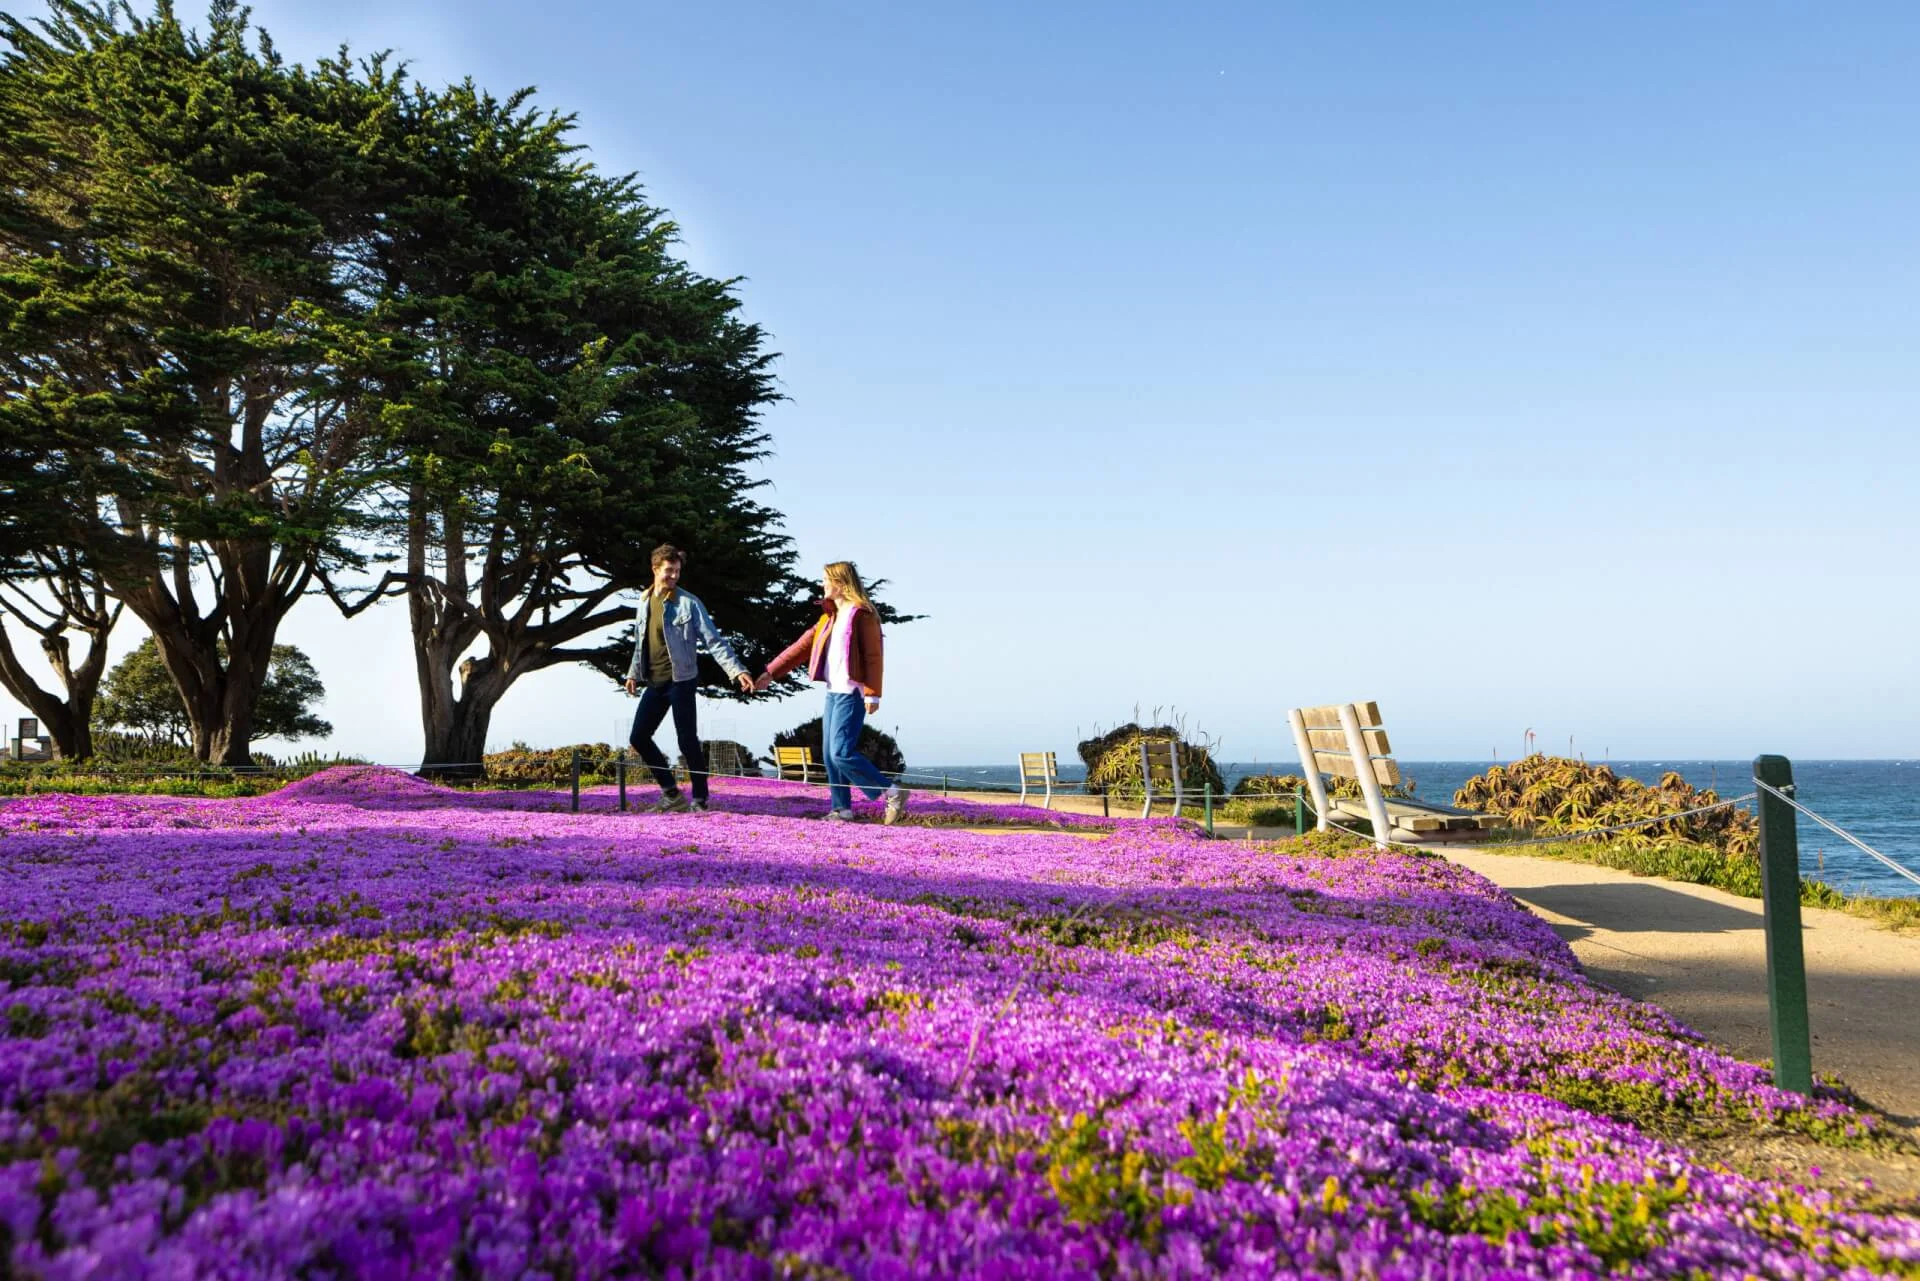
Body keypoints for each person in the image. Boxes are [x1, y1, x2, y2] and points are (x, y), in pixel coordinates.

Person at [755, 561, 907, 824]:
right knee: (829, 755)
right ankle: (842, 809)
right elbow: (802, 646)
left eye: (826, 580)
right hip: (833, 693)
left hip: (853, 693)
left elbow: (873, 656)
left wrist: (873, 693)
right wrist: (771, 671)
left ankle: (891, 792)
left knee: (841, 752)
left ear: (840, 583)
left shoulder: (862, 614)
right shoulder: (829, 617)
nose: (822, 585)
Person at [624, 544, 754, 812]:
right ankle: (671, 793)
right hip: (655, 681)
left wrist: (736, 670)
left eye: (677, 572)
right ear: (655, 569)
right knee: (638, 736)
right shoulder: (644, 601)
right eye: (669, 571)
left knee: (687, 739)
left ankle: (700, 799)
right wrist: (633, 673)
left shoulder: (689, 603)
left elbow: (713, 641)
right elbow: (640, 642)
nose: (673, 576)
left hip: (682, 680)